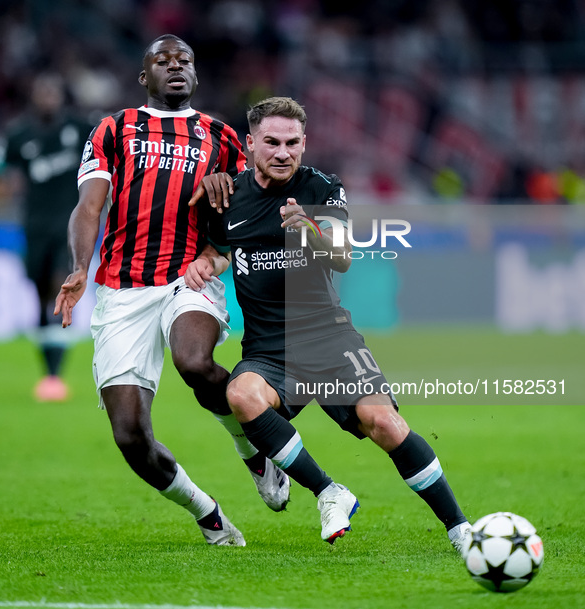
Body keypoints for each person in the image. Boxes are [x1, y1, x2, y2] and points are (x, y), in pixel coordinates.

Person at [189, 96, 470, 549]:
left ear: (304, 144)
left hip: (329, 336)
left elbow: (341, 257)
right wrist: (205, 264)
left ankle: (461, 529)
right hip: (268, 348)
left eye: (293, 143)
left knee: (383, 423)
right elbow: (219, 251)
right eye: (272, 142)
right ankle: (328, 491)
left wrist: (307, 228)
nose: (283, 152)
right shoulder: (229, 198)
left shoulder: (322, 188)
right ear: (250, 144)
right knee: (241, 394)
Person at [54, 35, 289, 546]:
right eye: (162, 61)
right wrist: (78, 267)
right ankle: (207, 513)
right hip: (122, 290)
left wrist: (216, 250)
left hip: (189, 276)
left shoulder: (223, 138)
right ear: (146, 77)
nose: (175, 66)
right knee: (131, 437)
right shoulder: (114, 130)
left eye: (184, 60)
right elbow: (89, 206)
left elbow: (256, 215)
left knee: (194, 361)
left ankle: (254, 453)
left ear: (196, 75)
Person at [0, 73, 92, 401]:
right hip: (34, 226)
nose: (48, 99)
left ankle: (55, 375)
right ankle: (48, 370)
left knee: (59, 285)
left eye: (53, 93)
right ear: (34, 98)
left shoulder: (79, 130)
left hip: (69, 225)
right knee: (39, 294)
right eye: (43, 93)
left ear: (61, 97)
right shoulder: (19, 134)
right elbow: (7, 177)